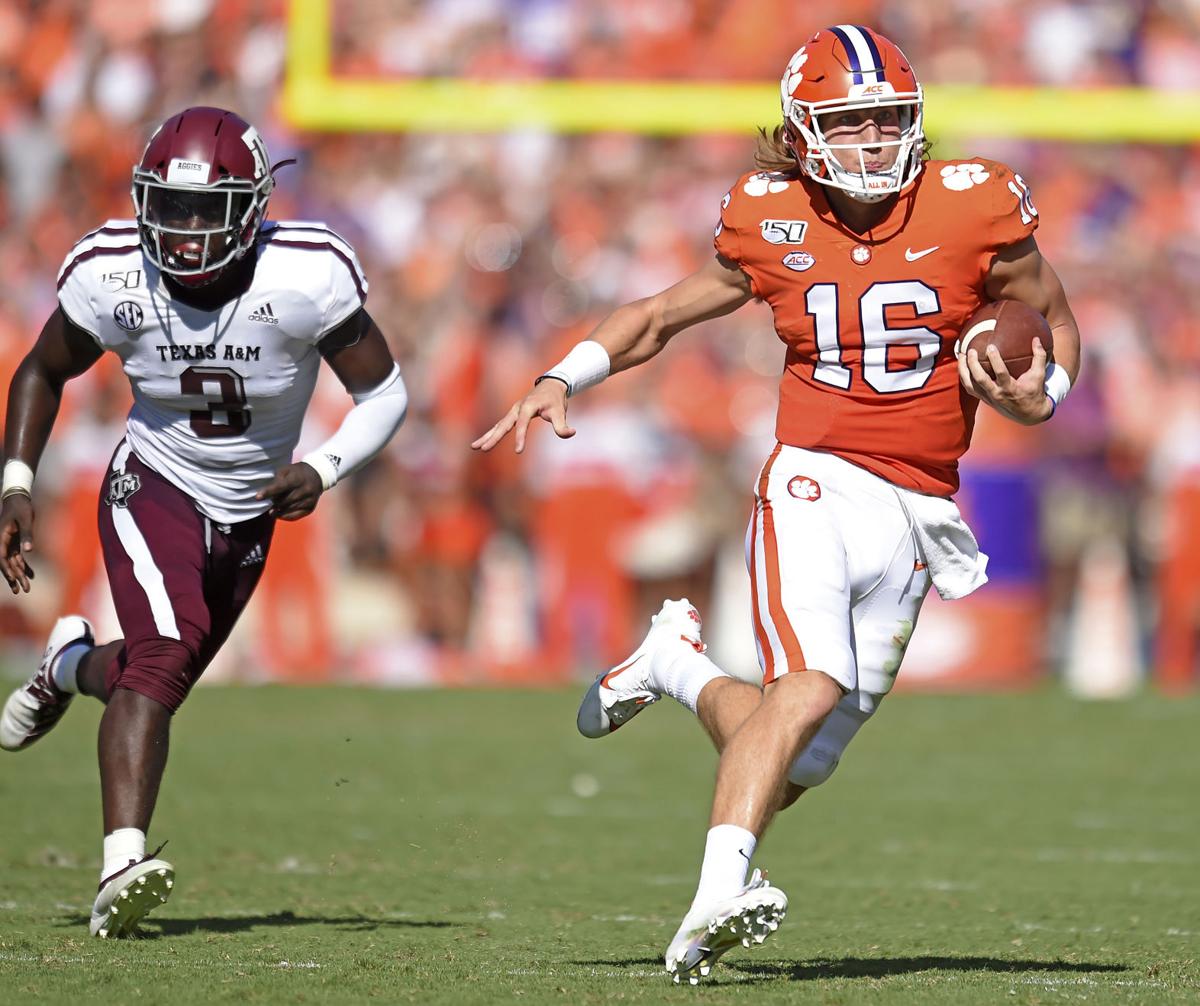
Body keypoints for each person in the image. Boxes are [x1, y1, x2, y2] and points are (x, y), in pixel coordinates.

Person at [473, 25, 1081, 984]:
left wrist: (1048, 394)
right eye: (851, 123)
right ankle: (715, 897)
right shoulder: (771, 215)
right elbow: (660, 315)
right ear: (803, 134)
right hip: (814, 478)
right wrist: (565, 374)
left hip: (922, 505)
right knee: (808, 686)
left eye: (889, 120)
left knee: (799, 762)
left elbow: (1054, 316)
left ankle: (674, 665)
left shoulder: (975, 202)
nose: (875, 141)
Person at [0, 107, 408, 938]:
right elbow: (43, 370)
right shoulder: (111, 273)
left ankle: (69, 665)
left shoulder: (306, 273)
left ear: (252, 210)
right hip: (154, 480)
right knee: (162, 657)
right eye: (170, 208)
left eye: (204, 211)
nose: (184, 233)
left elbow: (384, 392)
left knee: (162, 672)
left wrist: (324, 467)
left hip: (252, 508)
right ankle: (120, 866)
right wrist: (15, 482)